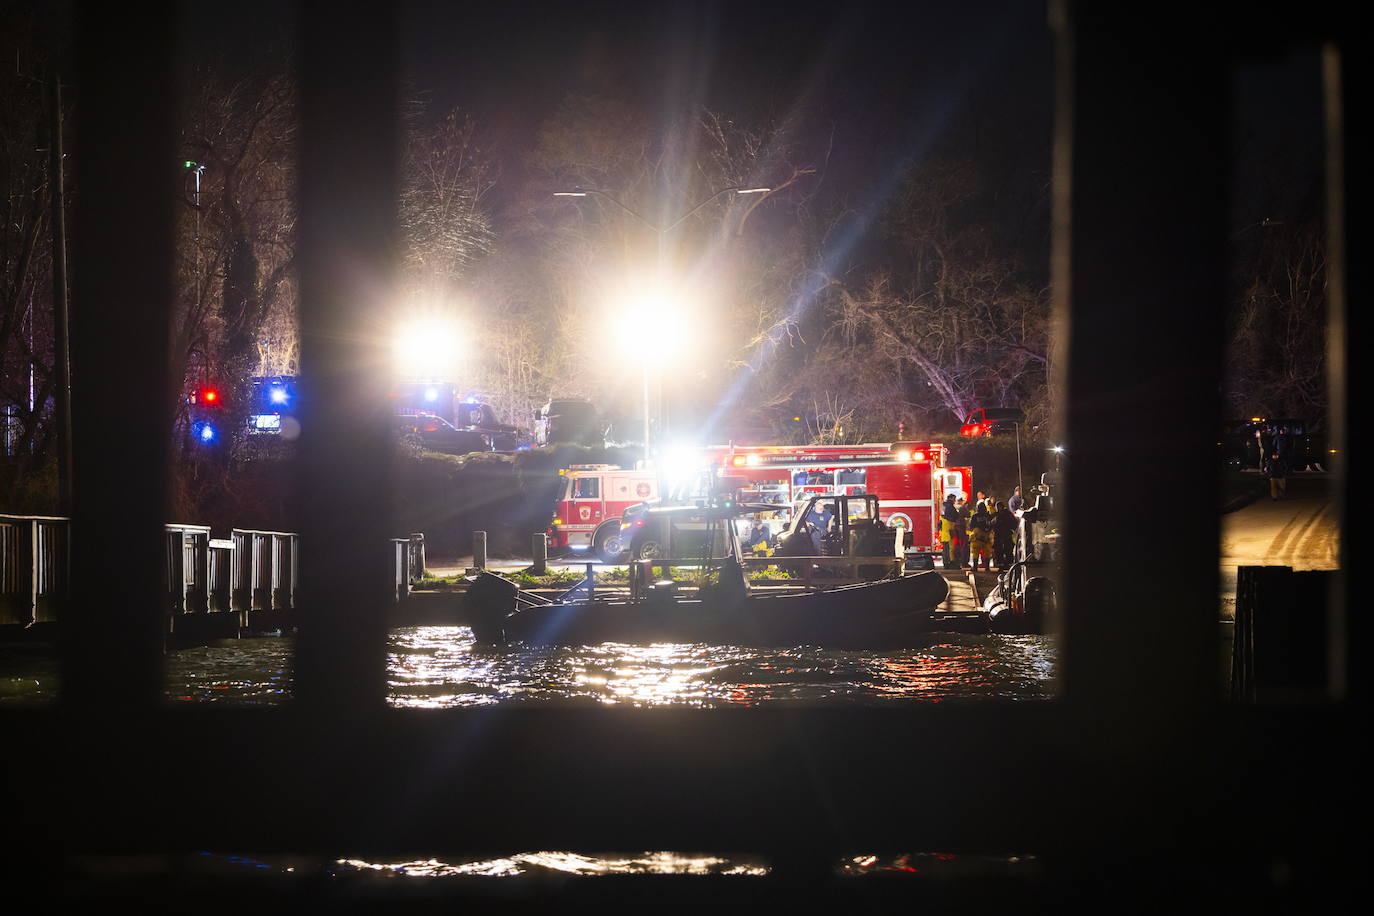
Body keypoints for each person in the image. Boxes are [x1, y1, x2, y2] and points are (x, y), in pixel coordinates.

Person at [992, 500, 1018, 570]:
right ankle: (1001, 565)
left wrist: (1011, 530)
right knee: (998, 551)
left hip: (1007, 535)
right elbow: (992, 524)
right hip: (998, 535)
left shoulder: (1007, 514)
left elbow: (1014, 523)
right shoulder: (996, 515)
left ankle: (1008, 565)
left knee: (1008, 550)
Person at [967, 502, 993, 571]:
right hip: (986, 537)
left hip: (977, 537)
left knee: (975, 552)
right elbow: (991, 525)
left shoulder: (975, 516)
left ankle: (975, 567)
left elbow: (971, 526)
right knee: (987, 552)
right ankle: (987, 567)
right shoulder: (988, 515)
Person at [951, 496, 971, 568]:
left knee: (956, 546)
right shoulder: (962, 507)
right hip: (961, 528)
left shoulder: (953, 507)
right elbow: (968, 515)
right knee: (964, 545)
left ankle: (956, 562)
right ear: (961, 501)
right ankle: (964, 562)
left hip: (954, 528)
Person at [940, 493, 959, 567]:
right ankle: (950, 562)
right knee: (950, 548)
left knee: (946, 548)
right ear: (951, 498)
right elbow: (956, 515)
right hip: (949, 528)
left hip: (945, 529)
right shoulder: (950, 506)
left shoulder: (944, 506)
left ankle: (946, 562)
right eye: (954, 499)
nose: (955, 500)